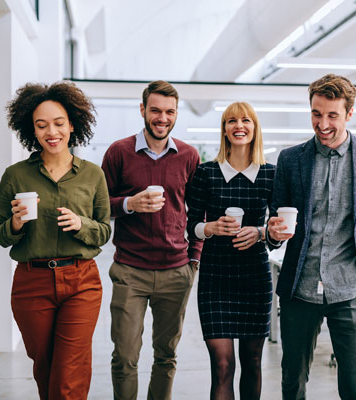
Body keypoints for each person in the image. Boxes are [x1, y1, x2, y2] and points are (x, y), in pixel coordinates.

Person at [267, 73, 356, 400]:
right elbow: (275, 226)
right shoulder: (290, 159)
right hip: (300, 289)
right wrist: (273, 233)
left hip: (353, 290)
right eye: (316, 114)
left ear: (349, 114)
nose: (322, 124)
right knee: (291, 384)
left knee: (355, 387)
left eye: (332, 116)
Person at [0, 82, 111, 400]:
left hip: (81, 281)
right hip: (32, 284)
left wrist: (81, 224)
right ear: (31, 129)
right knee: (45, 368)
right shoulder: (16, 176)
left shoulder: (92, 175)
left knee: (69, 373)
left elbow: (104, 230)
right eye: (41, 125)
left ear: (72, 124)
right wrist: (16, 223)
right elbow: (1, 235)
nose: (51, 132)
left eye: (59, 123)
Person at [101, 80, 203, 400]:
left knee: (166, 355)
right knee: (125, 357)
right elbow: (100, 204)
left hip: (176, 270)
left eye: (169, 112)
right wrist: (130, 204)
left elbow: (199, 211)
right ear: (143, 110)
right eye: (156, 110)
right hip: (130, 269)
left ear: (176, 114)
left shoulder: (188, 155)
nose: (162, 118)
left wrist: (195, 258)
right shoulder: (119, 152)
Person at [187, 102, 279, 400]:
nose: (239, 126)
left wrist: (261, 232)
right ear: (224, 129)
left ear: (254, 128)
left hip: (254, 277)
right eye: (231, 121)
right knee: (223, 365)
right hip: (216, 277)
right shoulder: (206, 173)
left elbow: (279, 233)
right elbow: (191, 227)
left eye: (245, 121)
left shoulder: (271, 175)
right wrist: (211, 228)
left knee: (252, 363)